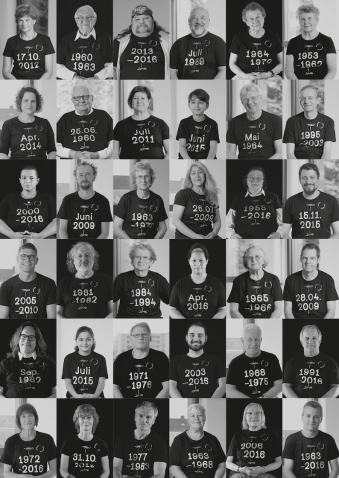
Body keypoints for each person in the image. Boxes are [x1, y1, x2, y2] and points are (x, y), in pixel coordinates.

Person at [57, 241, 113, 319]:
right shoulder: (63, 283)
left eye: (87, 255)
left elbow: (113, 311)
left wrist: (101, 324)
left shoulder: (107, 280)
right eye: (79, 256)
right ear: (73, 261)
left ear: (93, 259)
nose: (83, 259)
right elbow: (57, 313)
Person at [283, 401, 339, 478]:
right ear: (302, 417)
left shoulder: (328, 439)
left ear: (321, 419)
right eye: (308, 416)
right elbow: (288, 470)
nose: (312, 420)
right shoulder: (291, 440)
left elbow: (335, 469)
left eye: (316, 417)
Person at [57, 83, 113, 159]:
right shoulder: (64, 119)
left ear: (91, 98)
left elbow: (114, 143)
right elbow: (54, 146)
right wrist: (72, 154)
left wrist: (98, 155)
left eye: (85, 97)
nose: (82, 100)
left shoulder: (104, 116)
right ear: (72, 100)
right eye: (77, 98)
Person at [282, 163, 339, 239]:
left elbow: (337, 233)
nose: (308, 181)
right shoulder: (290, 202)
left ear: (318, 179)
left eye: (312, 177)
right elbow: (284, 233)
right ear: (300, 180)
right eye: (304, 178)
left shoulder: (331, 201)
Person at [113, 322, 169, 398]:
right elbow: (115, 387)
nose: (141, 337)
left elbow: (167, 387)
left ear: (150, 338)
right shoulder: (121, 359)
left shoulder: (161, 358)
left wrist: (150, 405)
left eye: (144, 334)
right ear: (130, 338)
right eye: (136, 335)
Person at [170, 321, 226, 398]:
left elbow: (223, 386)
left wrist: (211, 402)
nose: (196, 339)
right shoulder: (175, 361)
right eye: (192, 335)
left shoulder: (216, 361)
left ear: (206, 338)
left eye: (200, 335)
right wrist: (182, 402)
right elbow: (171, 386)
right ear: (186, 338)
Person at [0, 321, 56, 398]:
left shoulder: (49, 363)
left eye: (31, 337)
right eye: (23, 336)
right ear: (18, 339)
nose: (27, 340)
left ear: (37, 341)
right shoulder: (5, 363)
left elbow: (58, 391)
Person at [58, 161, 112, 239]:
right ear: (76, 178)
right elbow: (62, 230)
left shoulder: (103, 201)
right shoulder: (67, 200)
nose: (84, 178)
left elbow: (105, 233)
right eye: (81, 175)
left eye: (88, 174)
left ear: (94, 177)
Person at [0, 243, 56, 319]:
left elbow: (52, 317)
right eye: (23, 256)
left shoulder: (49, 284)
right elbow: (3, 318)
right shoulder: (5, 286)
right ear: (17, 259)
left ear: (36, 261)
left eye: (32, 257)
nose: (27, 259)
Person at [113, 242, 169, 318]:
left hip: (153, 320)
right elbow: (110, 300)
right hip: (126, 319)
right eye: (137, 257)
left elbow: (172, 301)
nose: (141, 260)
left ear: (151, 261)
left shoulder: (159, 279)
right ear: (132, 260)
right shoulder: (122, 278)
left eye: (145, 257)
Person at [113, 5, 170, 80]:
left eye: (146, 18)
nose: (142, 21)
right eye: (137, 19)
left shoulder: (169, 42)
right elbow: (113, 70)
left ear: (153, 21)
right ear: (132, 23)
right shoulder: (119, 43)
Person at [170, 243, 226, 318]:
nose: (197, 263)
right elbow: (172, 309)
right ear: (189, 261)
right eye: (194, 260)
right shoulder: (179, 285)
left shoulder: (218, 284)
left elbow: (222, 309)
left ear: (207, 261)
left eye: (201, 260)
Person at [113, 85, 170, 159]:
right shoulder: (120, 125)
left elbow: (169, 152)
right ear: (131, 101)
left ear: (149, 101)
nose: (139, 101)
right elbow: (115, 152)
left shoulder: (161, 123)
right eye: (135, 98)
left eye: (143, 98)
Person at [226, 84, 282, 159]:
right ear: (242, 102)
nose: (250, 102)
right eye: (246, 99)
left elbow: (279, 152)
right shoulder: (234, 122)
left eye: (253, 98)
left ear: (260, 98)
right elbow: (230, 153)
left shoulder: (275, 120)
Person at [0, 164, 56, 238]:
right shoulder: (9, 198)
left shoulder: (48, 198)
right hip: (12, 236)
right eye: (24, 178)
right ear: (20, 180)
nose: (27, 181)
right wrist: (12, 235)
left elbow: (58, 222)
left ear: (37, 180)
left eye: (31, 178)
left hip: (42, 236)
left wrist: (41, 235)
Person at [57, 5, 113, 80]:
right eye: (80, 17)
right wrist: (73, 77)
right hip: (71, 83)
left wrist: (97, 77)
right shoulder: (67, 39)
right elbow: (57, 66)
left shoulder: (105, 38)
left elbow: (113, 66)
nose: (85, 21)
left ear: (95, 20)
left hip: (98, 83)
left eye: (89, 17)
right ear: (76, 20)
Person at [229, 2, 283, 80]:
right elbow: (232, 64)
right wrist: (245, 76)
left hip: (269, 76)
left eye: (258, 17)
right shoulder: (238, 38)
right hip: (244, 76)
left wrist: (270, 74)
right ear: (246, 22)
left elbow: (282, 63)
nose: (255, 21)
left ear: (263, 17)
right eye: (251, 18)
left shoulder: (273, 36)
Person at [226, 403, 282, 478]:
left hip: (265, 473)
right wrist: (241, 469)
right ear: (245, 417)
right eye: (250, 413)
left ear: (262, 416)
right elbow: (228, 462)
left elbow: (278, 462)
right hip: (240, 473)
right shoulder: (238, 436)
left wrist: (263, 469)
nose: (253, 416)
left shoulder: (272, 434)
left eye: (257, 413)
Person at [113, 162, 168, 239]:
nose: (143, 180)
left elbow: (163, 228)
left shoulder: (157, 200)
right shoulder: (126, 198)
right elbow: (116, 226)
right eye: (139, 177)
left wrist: (154, 241)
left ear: (151, 179)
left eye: (146, 176)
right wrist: (130, 241)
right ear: (134, 180)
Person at [170, 404, 226, 478]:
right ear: (188, 420)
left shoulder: (213, 439)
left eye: (200, 415)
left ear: (204, 418)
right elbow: (174, 467)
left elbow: (221, 463)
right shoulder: (179, 440)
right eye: (192, 416)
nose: (196, 418)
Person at [0, 403, 56, 477]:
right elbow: (6, 474)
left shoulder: (47, 439)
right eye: (23, 416)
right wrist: (22, 477)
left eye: (30, 415)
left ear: (35, 418)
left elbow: (54, 470)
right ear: (19, 420)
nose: (27, 419)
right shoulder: (11, 441)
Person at [283, 325, 339, 398]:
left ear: (319, 340)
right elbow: (285, 386)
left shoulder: (331, 362)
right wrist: (297, 401)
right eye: (306, 338)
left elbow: (336, 387)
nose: (310, 341)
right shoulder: (292, 362)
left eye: (314, 338)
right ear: (301, 341)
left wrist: (321, 401)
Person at [113, 401, 167, 478]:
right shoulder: (123, 438)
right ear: (135, 417)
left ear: (154, 420)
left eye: (148, 417)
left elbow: (159, 474)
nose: (144, 420)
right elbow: (116, 468)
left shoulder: (160, 442)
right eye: (140, 416)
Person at [226, 324, 282, 398]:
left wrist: (263, 398)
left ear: (261, 340)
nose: (253, 343)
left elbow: (279, 384)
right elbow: (229, 389)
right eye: (249, 339)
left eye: (257, 339)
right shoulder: (235, 363)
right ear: (242, 340)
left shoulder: (272, 358)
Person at [284, 243, 338, 319]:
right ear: (300, 259)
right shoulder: (290, 280)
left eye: (312, 258)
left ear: (318, 259)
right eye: (305, 258)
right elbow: (287, 309)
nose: (308, 261)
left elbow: (331, 310)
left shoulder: (328, 280)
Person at [0, 86, 56, 160]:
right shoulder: (8, 124)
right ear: (20, 102)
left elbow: (52, 150)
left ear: (37, 103)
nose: (29, 104)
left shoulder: (45, 123)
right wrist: (13, 168)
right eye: (26, 101)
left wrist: (47, 166)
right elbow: (2, 153)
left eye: (33, 101)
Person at [170, 7, 226, 79]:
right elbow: (171, 71)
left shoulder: (218, 42)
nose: (198, 22)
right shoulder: (178, 44)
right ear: (189, 21)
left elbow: (223, 70)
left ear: (208, 21)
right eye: (194, 18)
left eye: (203, 18)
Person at [226, 166, 282, 239]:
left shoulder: (273, 197)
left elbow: (284, 222)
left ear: (263, 181)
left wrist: (279, 233)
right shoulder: (238, 199)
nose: (254, 180)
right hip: (242, 239)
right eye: (251, 178)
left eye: (258, 178)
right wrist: (231, 235)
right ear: (246, 181)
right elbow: (228, 223)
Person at [227, 245, 283, 318]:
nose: (253, 260)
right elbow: (233, 310)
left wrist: (270, 321)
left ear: (263, 260)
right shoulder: (238, 281)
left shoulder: (274, 279)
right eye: (250, 257)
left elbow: (278, 308)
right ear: (246, 261)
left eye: (257, 256)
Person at [2, 4, 54, 80]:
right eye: (21, 20)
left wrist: (39, 82)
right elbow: (5, 72)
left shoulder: (45, 40)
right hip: (17, 80)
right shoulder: (11, 41)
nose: (24, 24)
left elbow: (49, 71)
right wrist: (16, 82)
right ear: (17, 22)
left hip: (39, 79)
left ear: (34, 21)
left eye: (27, 20)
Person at [283, 85, 336, 159]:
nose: (306, 101)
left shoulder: (328, 122)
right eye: (303, 98)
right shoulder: (291, 121)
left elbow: (327, 152)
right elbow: (289, 153)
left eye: (310, 98)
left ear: (318, 100)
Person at [285, 4, 337, 80]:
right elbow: (289, 71)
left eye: (310, 19)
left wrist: (322, 84)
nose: (306, 22)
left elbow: (332, 70)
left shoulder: (327, 41)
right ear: (299, 21)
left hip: (322, 82)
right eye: (302, 19)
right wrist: (298, 83)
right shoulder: (293, 42)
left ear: (317, 21)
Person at [172, 162, 222, 239]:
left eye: (200, 172)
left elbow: (217, 220)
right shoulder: (183, 194)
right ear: (189, 177)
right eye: (193, 173)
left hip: (207, 236)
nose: (197, 176)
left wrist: (214, 233)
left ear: (205, 175)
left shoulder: (212, 195)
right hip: (186, 236)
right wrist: (195, 236)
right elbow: (175, 220)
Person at [60, 404, 110, 478]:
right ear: (77, 420)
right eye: (82, 418)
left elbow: (106, 471)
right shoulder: (68, 443)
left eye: (89, 417)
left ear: (94, 420)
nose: (85, 421)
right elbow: (63, 470)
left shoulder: (101, 444)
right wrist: (68, 476)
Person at [62, 326, 108, 398]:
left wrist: (95, 396)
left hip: (96, 396)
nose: (85, 343)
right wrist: (76, 396)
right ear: (76, 341)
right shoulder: (68, 358)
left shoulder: (101, 359)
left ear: (93, 341)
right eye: (81, 340)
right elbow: (68, 383)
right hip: (74, 396)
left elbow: (101, 382)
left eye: (88, 339)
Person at [176, 89, 220, 159]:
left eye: (200, 102)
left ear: (207, 105)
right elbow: (182, 146)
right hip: (186, 158)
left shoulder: (212, 124)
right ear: (189, 105)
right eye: (193, 102)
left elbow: (213, 147)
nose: (196, 105)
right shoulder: (183, 123)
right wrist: (189, 160)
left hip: (206, 158)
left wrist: (207, 161)